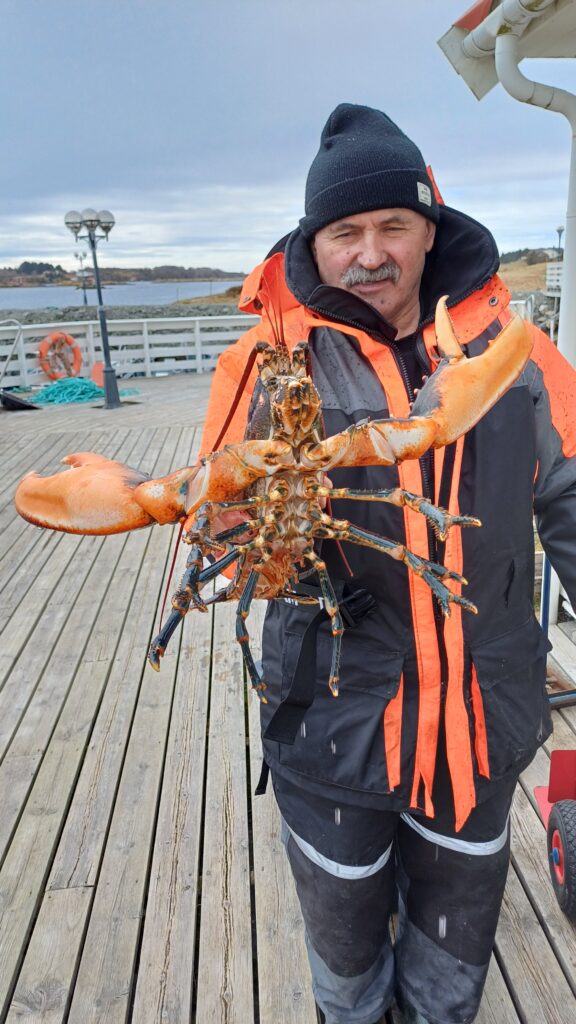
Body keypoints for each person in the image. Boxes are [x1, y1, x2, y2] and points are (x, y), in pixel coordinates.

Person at [199, 104, 576, 1024]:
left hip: (484, 720)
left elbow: (572, 496)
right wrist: (226, 524)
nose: (370, 254)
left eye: (392, 226)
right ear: (312, 244)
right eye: (345, 233)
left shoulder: (516, 355)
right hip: (329, 725)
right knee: (345, 952)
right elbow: (211, 530)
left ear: (429, 229)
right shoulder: (262, 364)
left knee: (454, 955)